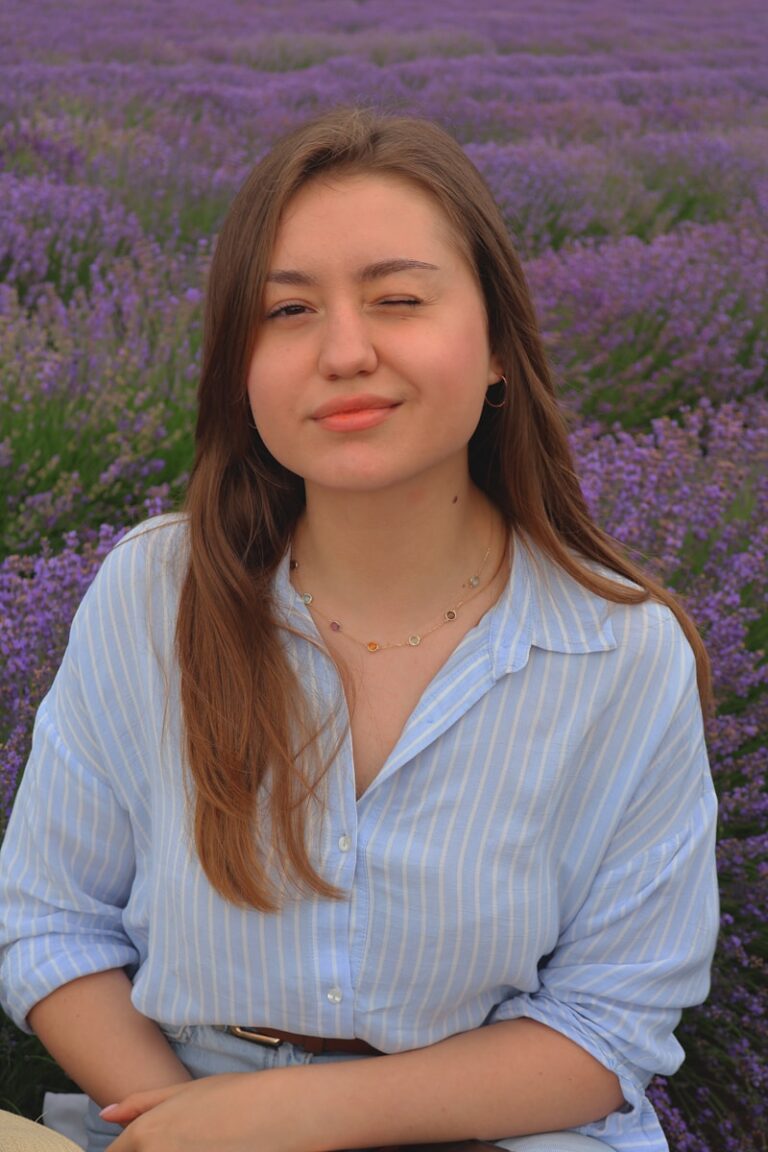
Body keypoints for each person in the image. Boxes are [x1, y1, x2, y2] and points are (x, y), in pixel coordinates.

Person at [0, 108, 719, 1152]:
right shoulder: (153, 593)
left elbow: (609, 1025)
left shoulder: (621, 651)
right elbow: (48, 923)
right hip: (173, 1116)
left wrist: (287, 1118)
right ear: (239, 368)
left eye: (399, 299)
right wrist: (188, 1130)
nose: (344, 352)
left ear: (498, 347)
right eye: (287, 310)